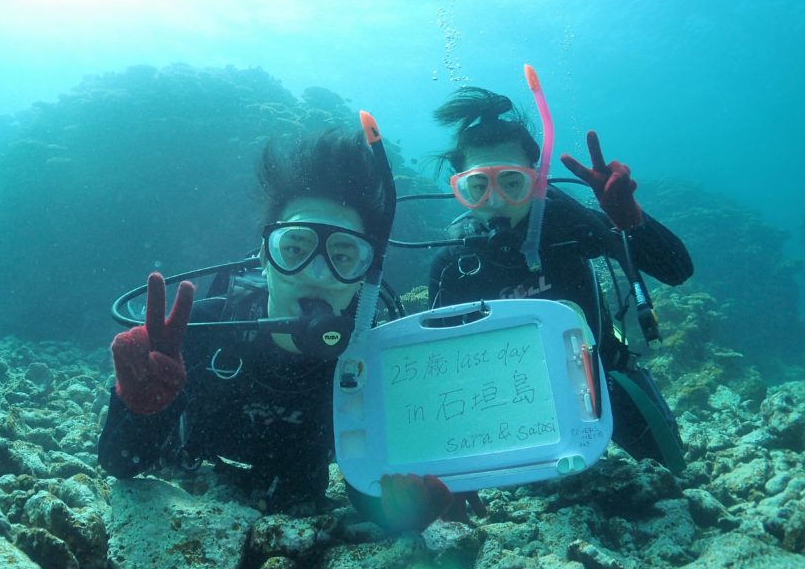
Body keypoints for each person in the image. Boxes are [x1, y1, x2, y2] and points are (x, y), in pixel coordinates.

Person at [98, 126, 476, 530]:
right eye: (294, 248)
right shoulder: (204, 332)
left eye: (343, 256)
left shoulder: (372, 366)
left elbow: (367, 491)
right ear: (264, 256)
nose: (315, 274)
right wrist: (140, 407)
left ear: (365, 276)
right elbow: (120, 464)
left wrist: (404, 510)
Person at [427, 87, 693, 467]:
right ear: (460, 187)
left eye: (512, 182)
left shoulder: (567, 223)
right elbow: (442, 368)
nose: (497, 200)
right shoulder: (454, 260)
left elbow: (677, 272)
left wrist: (631, 220)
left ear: (536, 179)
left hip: (603, 378)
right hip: (505, 401)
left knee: (671, 471)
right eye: (478, 185)